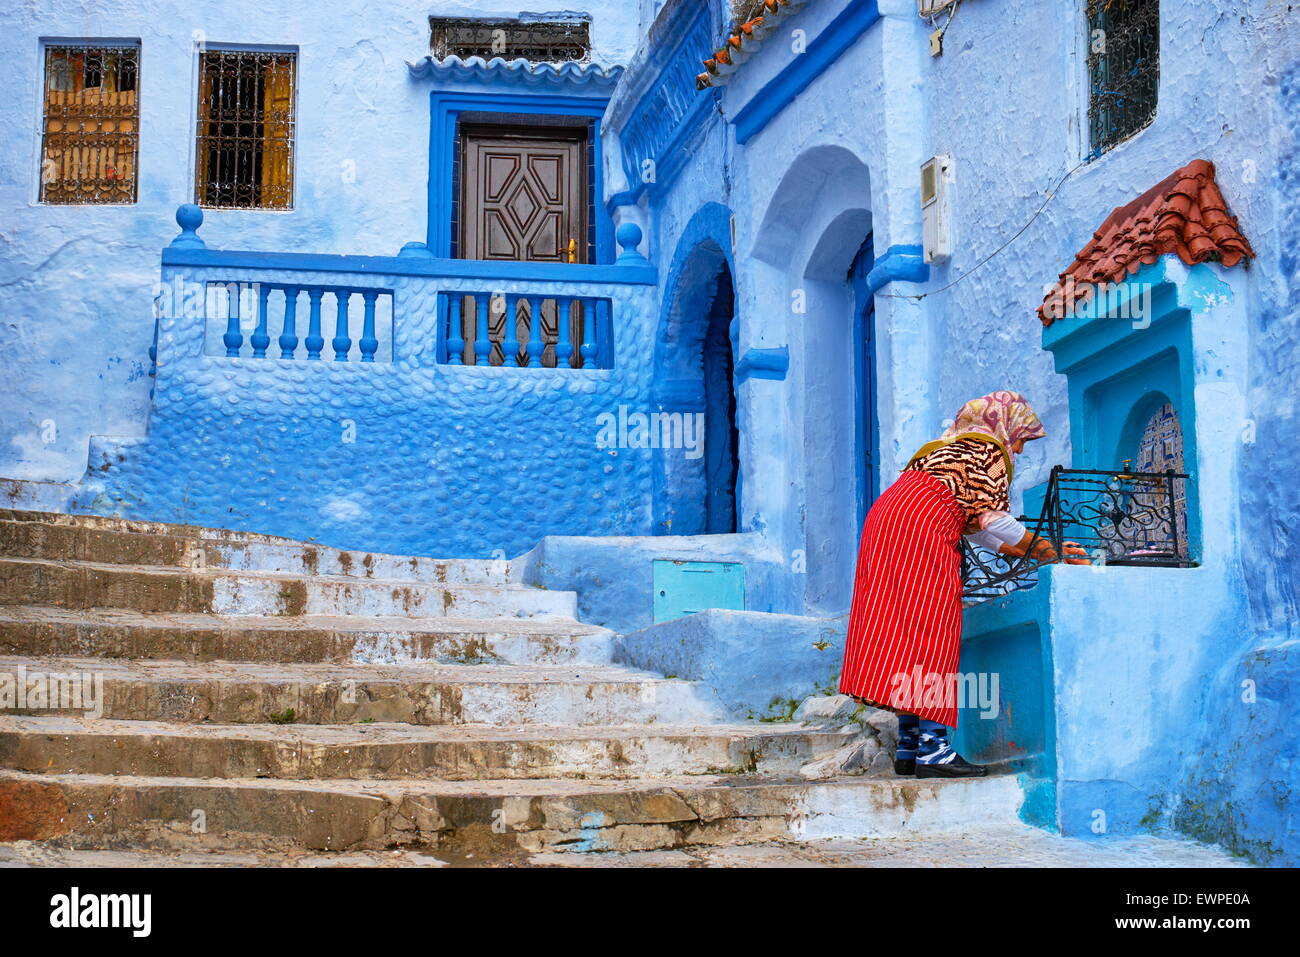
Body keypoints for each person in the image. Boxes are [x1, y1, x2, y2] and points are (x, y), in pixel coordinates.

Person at [839, 391, 1084, 778]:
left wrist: (1030, 550)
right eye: (1020, 436)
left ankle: (910, 747)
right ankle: (933, 750)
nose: (1018, 448)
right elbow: (992, 521)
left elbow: (975, 524)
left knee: (906, 633)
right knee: (934, 629)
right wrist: (1042, 548)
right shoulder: (985, 451)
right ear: (1003, 425)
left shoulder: (947, 451)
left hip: (889, 519)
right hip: (920, 529)